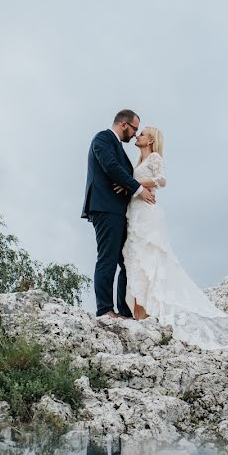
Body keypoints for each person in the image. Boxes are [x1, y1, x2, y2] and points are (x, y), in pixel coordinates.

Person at [119, 127, 228, 349]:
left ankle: (151, 316)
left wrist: (137, 185)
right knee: (136, 262)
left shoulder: (154, 157)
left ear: (150, 139)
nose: (137, 136)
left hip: (148, 216)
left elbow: (162, 180)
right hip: (135, 214)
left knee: (151, 258)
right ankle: (141, 316)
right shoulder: (138, 160)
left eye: (142, 134)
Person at [81, 110, 157, 319]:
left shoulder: (119, 148)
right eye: (134, 129)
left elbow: (122, 175)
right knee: (108, 257)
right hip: (105, 208)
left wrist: (126, 186)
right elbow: (111, 167)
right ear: (124, 124)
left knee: (127, 260)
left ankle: (125, 311)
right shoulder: (103, 138)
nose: (134, 135)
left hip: (118, 210)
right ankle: (105, 309)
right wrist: (139, 190)